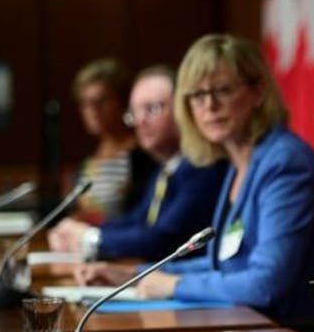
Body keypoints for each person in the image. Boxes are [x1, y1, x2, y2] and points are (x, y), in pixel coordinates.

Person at [75, 35, 314, 321]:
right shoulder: (239, 163)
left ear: (258, 91)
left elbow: (265, 284)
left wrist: (174, 285)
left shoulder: (284, 163)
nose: (209, 105)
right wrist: (134, 276)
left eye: (223, 90)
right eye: (198, 95)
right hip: (247, 325)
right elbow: (221, 263)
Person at [49, 65, 228, 261]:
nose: (140, 121)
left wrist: (89, 238)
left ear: (183, 109)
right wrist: (83, 232)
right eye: (135, 112)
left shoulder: (202, 168)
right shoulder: (165, 168)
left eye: (152, 108)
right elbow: (138, 221)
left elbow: (163, 239)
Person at [71, 57, 157, 224]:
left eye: (101, 101)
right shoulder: (88, 161)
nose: (93, 110)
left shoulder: (144, 156)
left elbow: (145, 217)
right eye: (85, 103)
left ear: (122, 101)